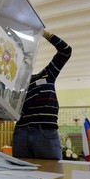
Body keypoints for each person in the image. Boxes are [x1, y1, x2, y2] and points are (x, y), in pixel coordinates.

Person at [12, 29, 72, 160]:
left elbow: (66, 51)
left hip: (45, 131)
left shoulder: (47, 74)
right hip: (21, 132)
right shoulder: (14, 85)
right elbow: (8, 109)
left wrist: (46, 34)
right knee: (20, 173)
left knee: (52, 174)